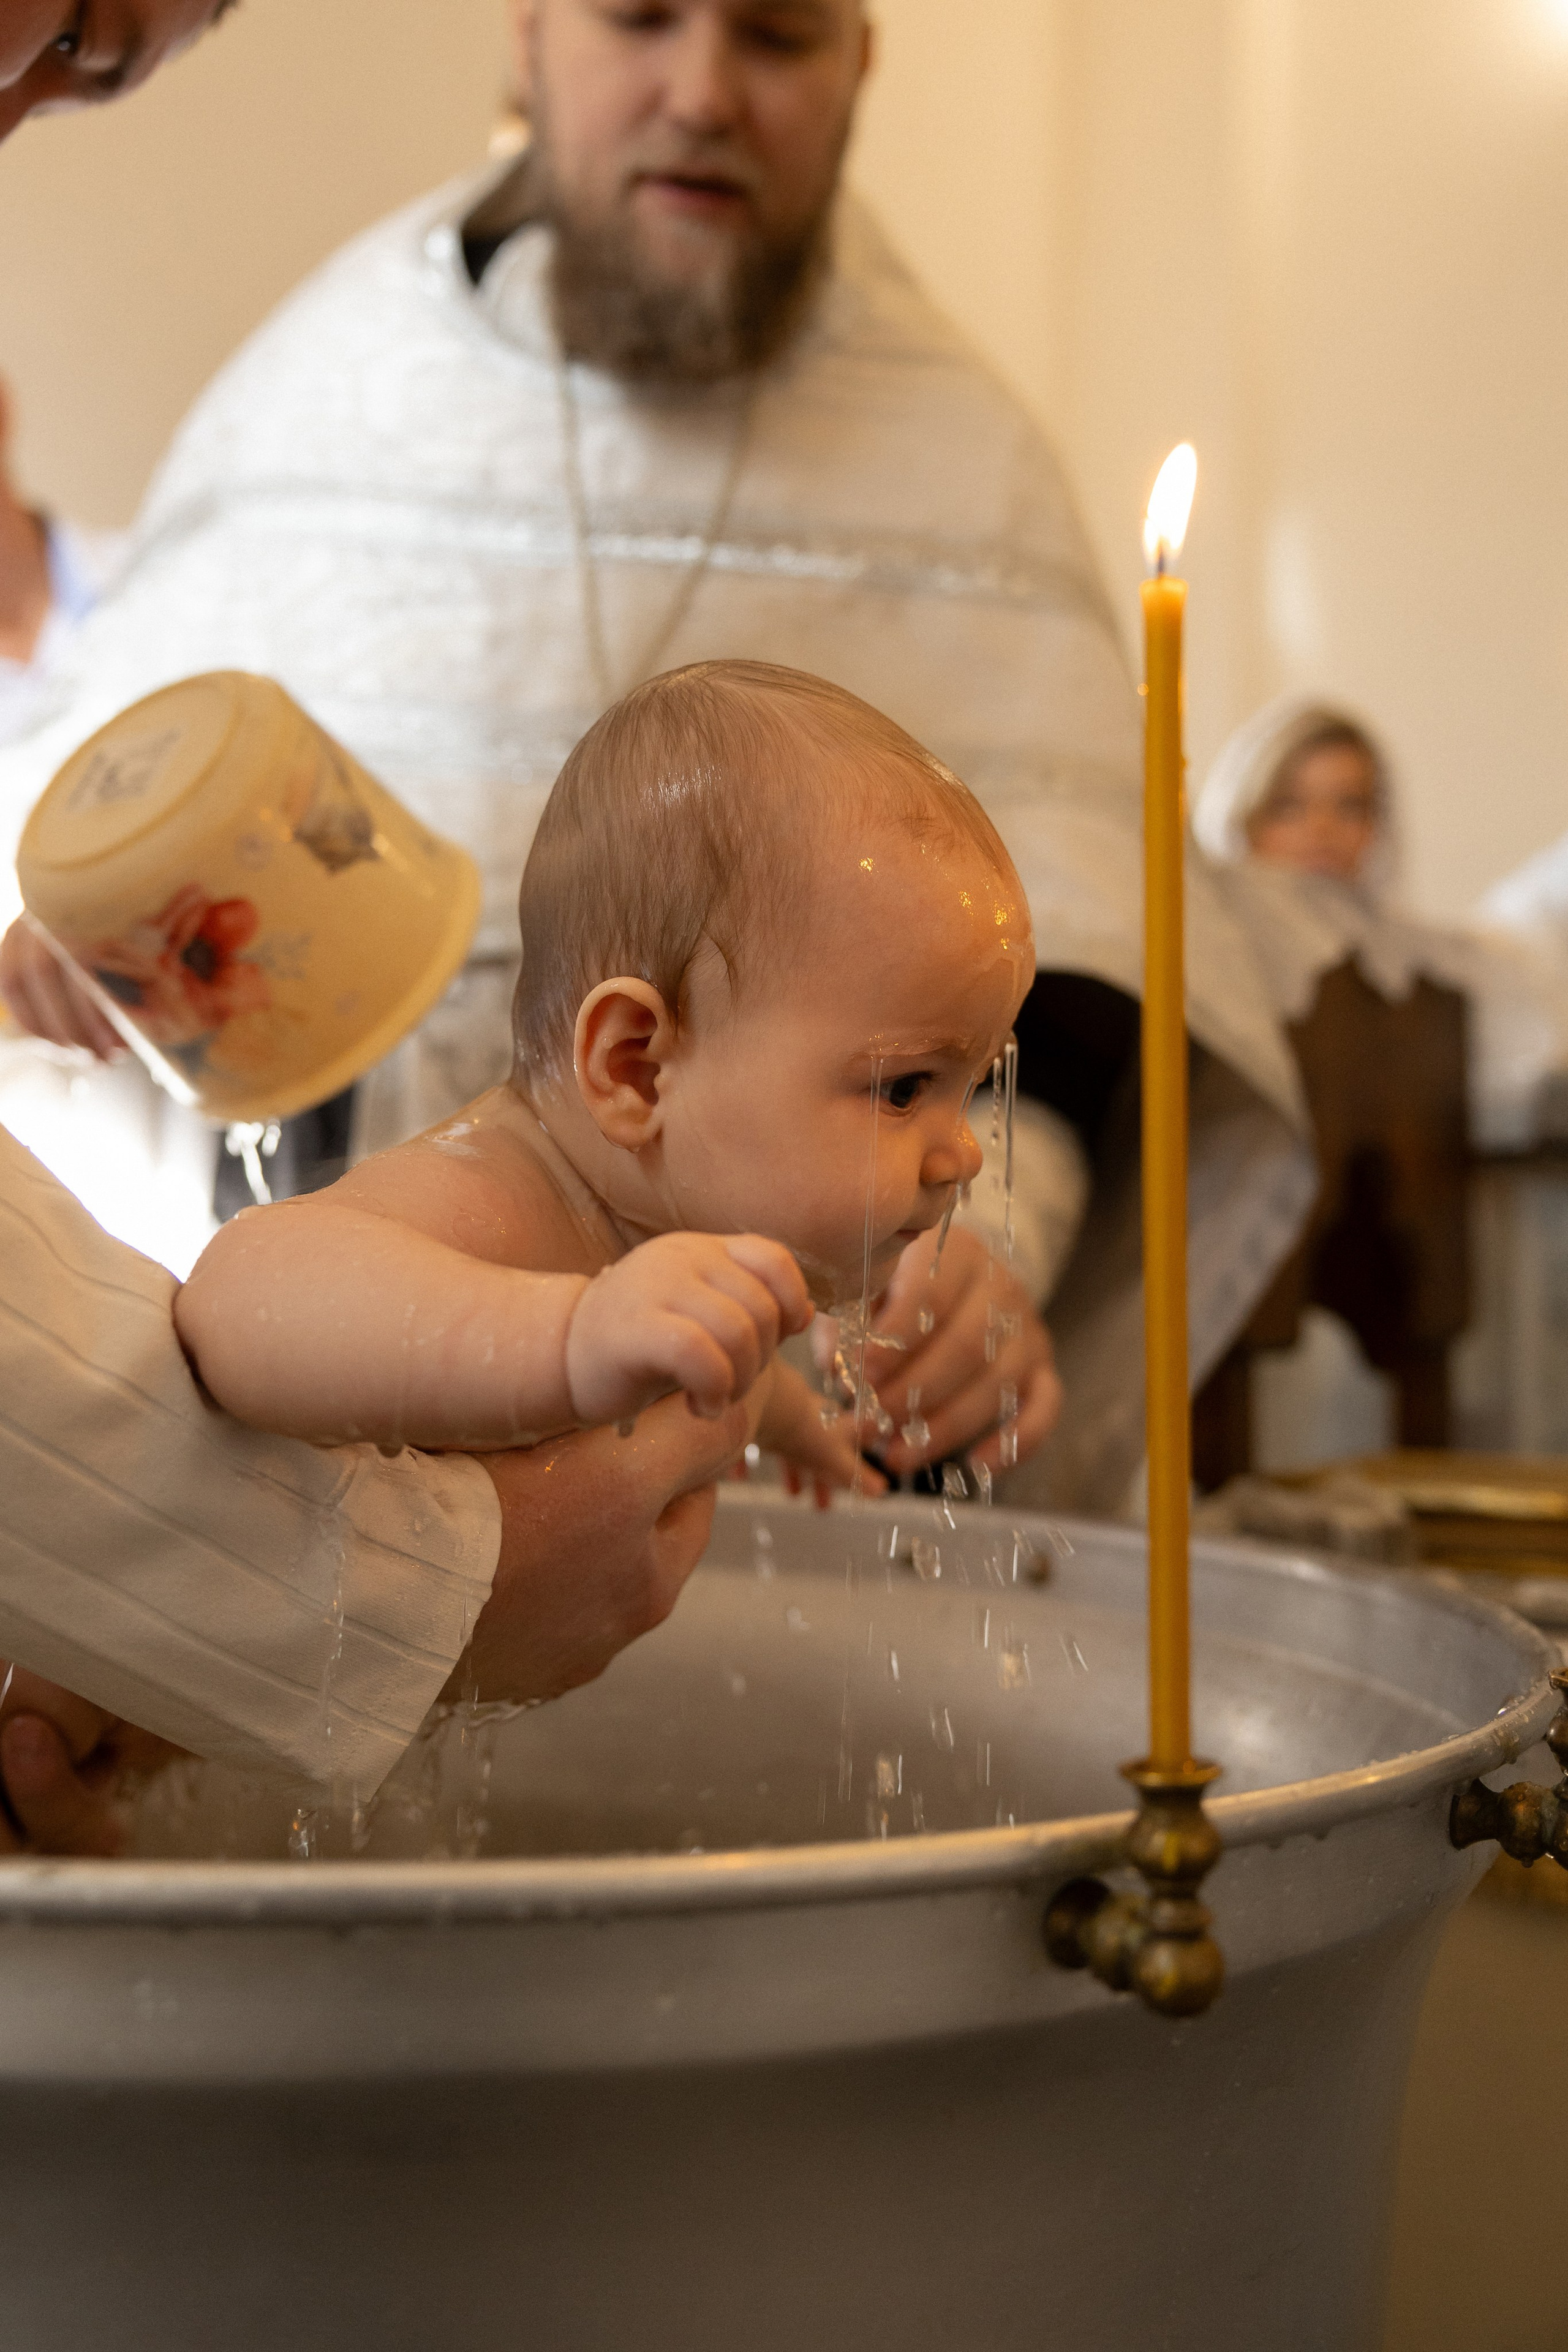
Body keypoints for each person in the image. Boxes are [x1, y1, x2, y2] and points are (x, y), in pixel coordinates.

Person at [0, 0, 1313, 1514]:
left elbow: (1073, 997)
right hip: (334, 1465)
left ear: (858, 69)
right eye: (638, 19)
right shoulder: (320, 401)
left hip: (783, 1449)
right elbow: (112, 889)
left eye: (776, 36)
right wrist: (92, 963)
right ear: (528, 40)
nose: (701, 93)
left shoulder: (965, 466)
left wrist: (973, 1259)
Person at [175, 663, 1049, 1490]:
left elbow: (707, 1367)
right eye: (903, 1089)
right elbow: (238, 1297)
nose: (962, 1155)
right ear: (636, 1067)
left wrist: (793, 1425)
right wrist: (566, 1341)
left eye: (965, 1086)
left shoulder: (670, 1224)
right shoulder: (499, 1197)